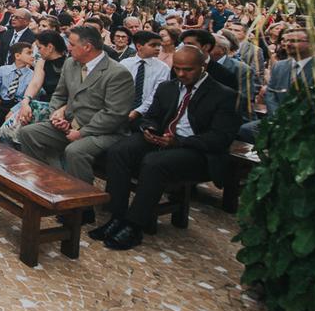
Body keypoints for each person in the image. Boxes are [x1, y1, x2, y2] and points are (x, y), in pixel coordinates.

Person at [89, 45, 240, 250]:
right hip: (163, 139)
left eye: (188, 69)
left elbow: (221, 137)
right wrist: (149, 128)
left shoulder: (223, 95)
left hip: (197, 150)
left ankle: (134, 226)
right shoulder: (168, 87)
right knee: (120, 150)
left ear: (203, 66)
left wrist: (181, 142)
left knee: (153, 164)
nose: (181, 73)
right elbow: (152, 116)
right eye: (177, 68)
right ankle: (117, 216)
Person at [18, 25, 136, 222]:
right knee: (29, 133)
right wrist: (57, 115)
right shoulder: (71, 64)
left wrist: (82, 131)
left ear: (88, 47)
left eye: (72, 44)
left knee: (76, 151)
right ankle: (43, 188)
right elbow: (60, 95)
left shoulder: (117, 73)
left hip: (104, 131)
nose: (68, 48)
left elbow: (114, 114)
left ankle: (83, 207)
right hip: (69, 123)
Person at [240, 27, 315, 142]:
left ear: (312, 44)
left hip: (303, 124)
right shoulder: (279, 66)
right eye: (286, 40)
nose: (288, 44)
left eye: (294, 41)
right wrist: (277, 114)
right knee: (245, 130)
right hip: (277, 118)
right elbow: (270, 92)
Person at [0, 30, 67, 146]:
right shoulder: (42, 63)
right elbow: (35, 84)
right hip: (44, 102)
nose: (38, 52)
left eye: (39, 48)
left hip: (61, 106)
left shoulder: (69, 63)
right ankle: (2, 143)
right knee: (26, 110)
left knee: (30, 110)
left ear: (50, 47)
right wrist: (25, 101)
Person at [0, 42, 36, 135]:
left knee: (9, 129)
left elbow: (33, 97)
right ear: (17, 56)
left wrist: (13, 111)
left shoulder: (32, 75)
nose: (33, 56)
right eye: (29, 53)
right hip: (5, 104)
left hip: (21, 106)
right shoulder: (3, 70)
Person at [121, 31, 171, 122]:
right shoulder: (125, 64)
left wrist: (138, 111)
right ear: (139, 46)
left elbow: (156, 94)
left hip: (148, 114)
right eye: (153, 45)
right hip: (123, 110)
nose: (157, 48)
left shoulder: (163, 68)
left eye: (159, 45)